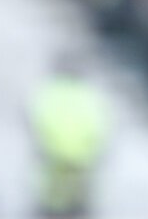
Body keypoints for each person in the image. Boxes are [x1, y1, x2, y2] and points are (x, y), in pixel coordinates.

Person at [29, 55, 110, 218]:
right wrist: (94, 149)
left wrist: (44, 144)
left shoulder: (48, 91)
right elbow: (101, 123)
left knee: (52, 198)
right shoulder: (89, 93)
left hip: (54, 154)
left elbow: (36, 120)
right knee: (78, 198)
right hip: (83, 155)